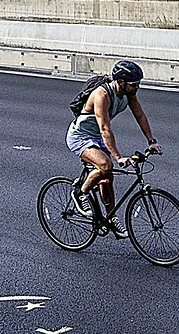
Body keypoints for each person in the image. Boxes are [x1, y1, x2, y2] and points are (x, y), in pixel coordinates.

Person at [67, 59, 162, 237]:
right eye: (134, 84)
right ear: (121, 82)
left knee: (107, 178)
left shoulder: (129, 94)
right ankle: (80, 193)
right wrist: (118, 157)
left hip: (97, 137)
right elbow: (105, 129)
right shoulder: (101, 95)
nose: (137, 87)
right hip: (81, 137)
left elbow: (140, 115)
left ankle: (110, 219)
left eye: (138, 83)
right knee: (105, 166)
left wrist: (151, 141)